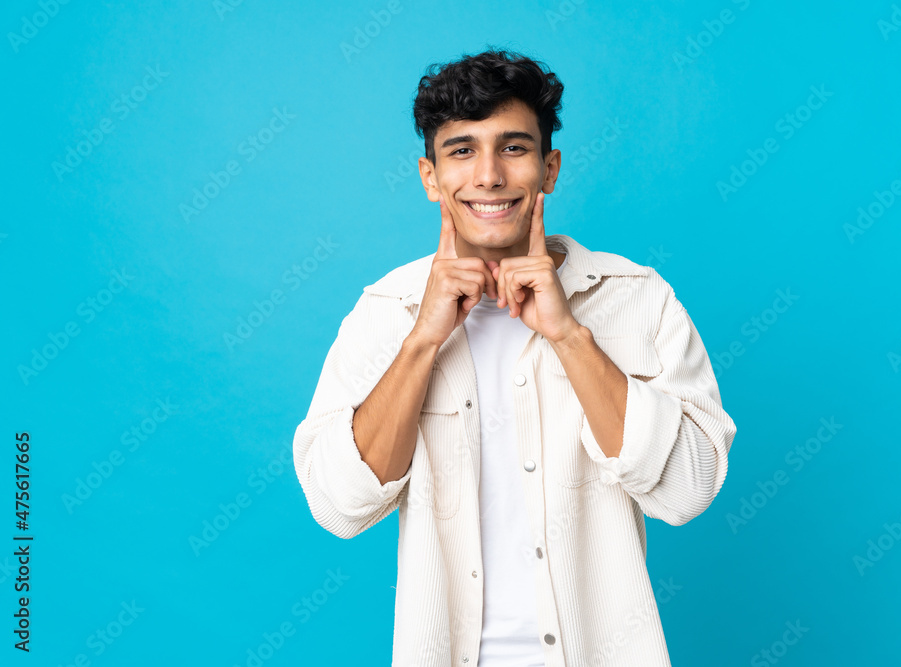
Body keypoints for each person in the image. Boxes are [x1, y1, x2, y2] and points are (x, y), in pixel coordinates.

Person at [292, 48, 737, 667]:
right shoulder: (385, 310)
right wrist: (422, 341)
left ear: (549, 168)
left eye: (513, 147)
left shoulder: (638, 298)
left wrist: (569, 335)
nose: (489, 176)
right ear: (430, 177)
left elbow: (689, 491)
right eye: (462, 151)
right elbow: (339, 505)